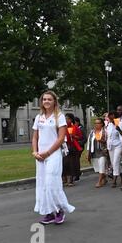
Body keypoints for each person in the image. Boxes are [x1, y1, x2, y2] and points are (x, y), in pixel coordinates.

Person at [32, 91, 75, 225]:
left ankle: (60, 210)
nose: (46, 101)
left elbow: (61, 138)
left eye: (49, 99)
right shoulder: (39, 117)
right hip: (40, 156)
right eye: (44, 99)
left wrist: (48, 152)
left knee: (51, 182)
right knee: (42, 184)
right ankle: (49, 213)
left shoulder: (59, 116)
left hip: (53, 154)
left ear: (54, 101)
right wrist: (35, 152)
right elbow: (35, 137)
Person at [86, 118, 108, 188]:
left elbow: (108, 141)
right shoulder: (92, 132)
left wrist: (101, 140)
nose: (96, 125)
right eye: (95, 123)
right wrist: (88, 153)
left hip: (102, 152)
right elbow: (89, 143)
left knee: (101, 166)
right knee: (97, 169)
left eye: (98, 123)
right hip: (94, 152)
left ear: (102, 124)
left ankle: (99, 182)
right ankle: (104, 177)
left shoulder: (105, 132)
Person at [107, 111, 122, 188]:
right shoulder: (109, 125)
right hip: (111, 146)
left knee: (115, 162)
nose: (109, 118)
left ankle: (114, 179)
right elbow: (109, 136)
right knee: (115, 162)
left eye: (111, 117)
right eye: (109, 117)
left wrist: (118, 128)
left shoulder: (121, 123)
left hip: (119, 145)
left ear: (115, 117)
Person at [63, 113, 83, 187]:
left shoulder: (75, 127)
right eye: (65, 118)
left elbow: (80, 137)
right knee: (64, 163)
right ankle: (64, 178)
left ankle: (70, 179)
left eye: (67, 118)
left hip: (72, 147)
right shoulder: (62, 127)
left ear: (71, 119)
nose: (66, 120)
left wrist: (74, 136)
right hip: (64, 147)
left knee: (71, 163)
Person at [73, 117, 86, 182]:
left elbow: (84, 139)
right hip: (73, 147)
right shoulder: (73, 128)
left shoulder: (81, 129)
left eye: (74, 122)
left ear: (77, 122)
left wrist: (79, 143)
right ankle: (76, 173)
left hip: (79, 147)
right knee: (73, 161)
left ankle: (77, 175)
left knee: (76, 160)